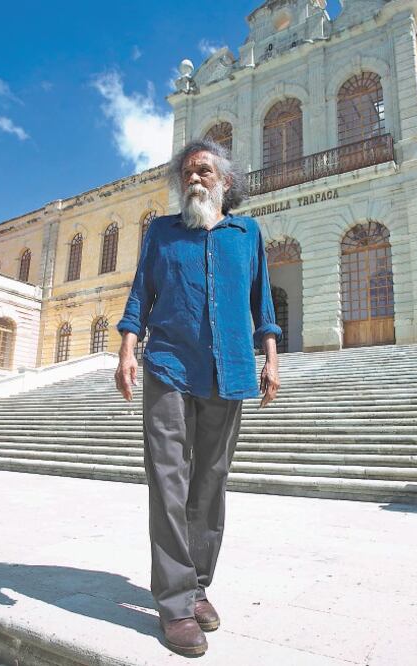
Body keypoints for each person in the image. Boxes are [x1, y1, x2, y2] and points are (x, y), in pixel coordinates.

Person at [115, 139, 282, 656]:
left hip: (229, 367)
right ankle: (173, 603)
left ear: (224, 182)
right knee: (168, 479)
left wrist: (271, 358)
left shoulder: (246, 232)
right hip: (167, 364)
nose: (194, 178)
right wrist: (127, 349)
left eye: (204, 171)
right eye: (187, 172)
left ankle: (198, 585)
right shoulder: (162, 232)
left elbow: (263, 300)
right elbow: (141, 293)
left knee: (210, 482)